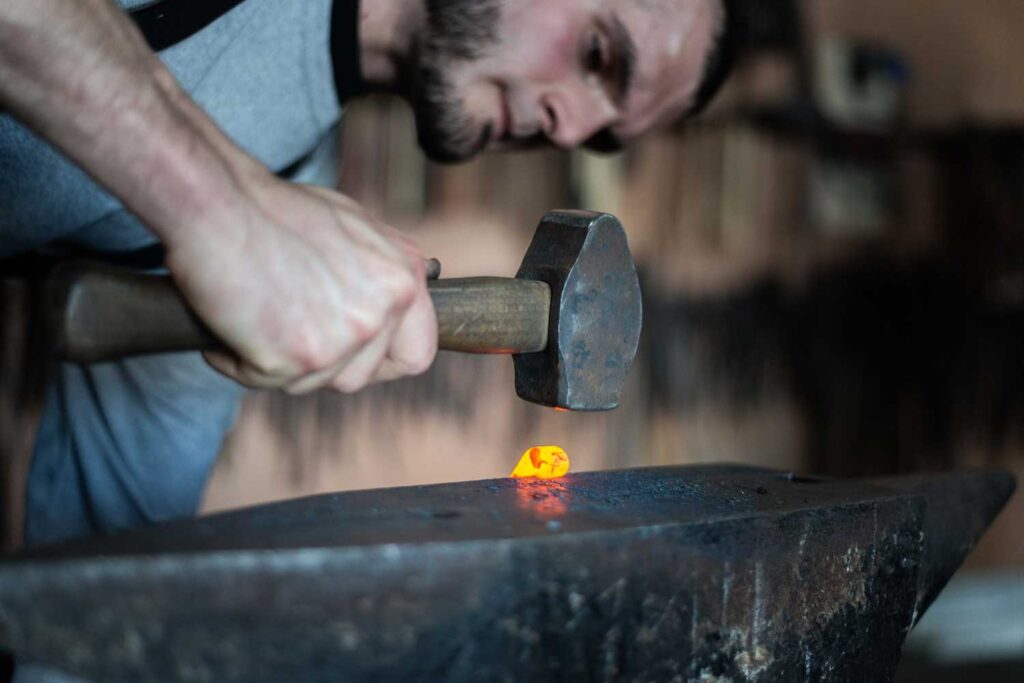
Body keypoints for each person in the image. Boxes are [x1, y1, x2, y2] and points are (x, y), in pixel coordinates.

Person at [1, 0, 735, 678]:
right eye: (598, 52)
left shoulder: (287, 180)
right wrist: (212, 199)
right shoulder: (250, 196)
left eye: (605, 134)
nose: (569, 131)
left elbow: (115, 522)